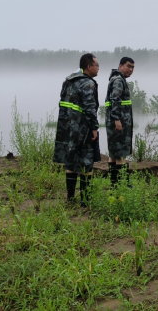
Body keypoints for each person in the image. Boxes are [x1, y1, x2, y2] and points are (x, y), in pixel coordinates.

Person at [53, 53, 101, 206]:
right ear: (89, 67)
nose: (98, 68)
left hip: (67, 129)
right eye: (97, 65)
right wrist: (94, 128)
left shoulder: (68, 80)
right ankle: (85, 201)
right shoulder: (88, 83)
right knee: (86, 162)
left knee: (71, 162)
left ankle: (70, 198)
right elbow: (89, 109)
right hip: (82, 129)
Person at [105, 57, 135, 186]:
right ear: (120, 66)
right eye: (128, 66)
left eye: (133, 67)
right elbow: (115, 101)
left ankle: (114, 184)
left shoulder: (117, 79)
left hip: (116, 122)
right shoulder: (118, 81)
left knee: (113, 153)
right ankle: (123, 184)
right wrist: (117, 120)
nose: (131, 69)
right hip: (119, 123)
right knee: (121, 155)